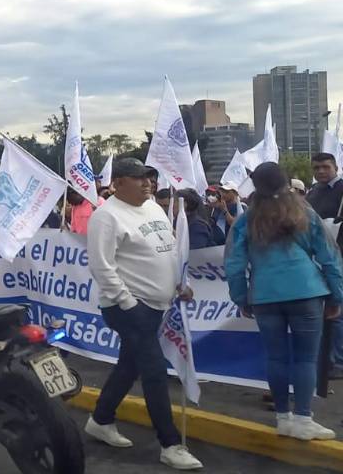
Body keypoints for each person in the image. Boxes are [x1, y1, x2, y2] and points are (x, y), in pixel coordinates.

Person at [84, 157, 203, 470]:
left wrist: (181, 282)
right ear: (119, 182)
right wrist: (127, 302)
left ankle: (100, 419)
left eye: (150, 178)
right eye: (139, 178)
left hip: (157, 306)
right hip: (129, 308)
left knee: (129, 366)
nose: (148, 183)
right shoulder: (106, 217)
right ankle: (170, 443)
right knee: (153, 371)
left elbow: (170, 247)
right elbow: (101, 266)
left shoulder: (152, 208)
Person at [225, 162, 343, 440]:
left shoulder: (246, 218)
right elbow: (330, 257)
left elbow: (233, 263)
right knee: (306, 358)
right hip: (306, 292)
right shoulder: (306, 212)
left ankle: (283, 418)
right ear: (285, 182)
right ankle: (303, 418)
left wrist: (241, 296)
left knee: (276, 357)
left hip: (265, 295)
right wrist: (337, 295)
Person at [305, 152, 343, 379]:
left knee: (337, 312)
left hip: (338, 257)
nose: (320, 171)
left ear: (335, 167)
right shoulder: (314, 192)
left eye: (325, 167)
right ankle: (328, 359)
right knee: (326, 312)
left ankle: (337, 361)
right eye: (316, 168)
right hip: (318, 257)